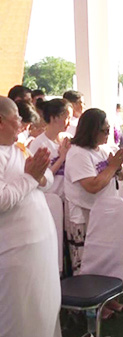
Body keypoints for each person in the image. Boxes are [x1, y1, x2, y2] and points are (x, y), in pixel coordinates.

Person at [0, 96, 61, 337]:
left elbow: (48, 180)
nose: (23, 124)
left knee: (45, 309)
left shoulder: (18, 149)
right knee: (21, 318)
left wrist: (38, 175)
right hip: (16, 253)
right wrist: (29, 178)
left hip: (41, 246)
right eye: (17, 118)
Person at [63, 108, 123, 317]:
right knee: (85, 262)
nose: (108, 133)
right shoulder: (77, 154)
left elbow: (120, 176)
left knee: (103, 258)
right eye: (104, 130)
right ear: (91, 130)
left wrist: (118, 168)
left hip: (102, 215)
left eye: (110, 129)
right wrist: (112, 167)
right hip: (82, 218)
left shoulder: (100, 149)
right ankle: (88, 309)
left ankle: (105, 300)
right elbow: (92, 185)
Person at [29, 99, 73, 198]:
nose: (69, 123)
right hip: (50, 197)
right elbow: (39, 177)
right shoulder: (39, 144)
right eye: (67, 118)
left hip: (68, 198)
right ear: (54, 118)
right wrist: (62, 158)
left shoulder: (68, 138)